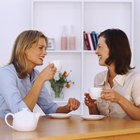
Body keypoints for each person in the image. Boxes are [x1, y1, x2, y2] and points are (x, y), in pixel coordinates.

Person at [0, 30, 80, 118]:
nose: (45, 53)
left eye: (45, 49)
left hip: (23, 128)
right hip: (4, 129)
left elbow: (50, 109)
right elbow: (20, 113)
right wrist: (40, 79)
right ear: (25, 49)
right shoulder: (6, 74)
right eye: (40, 48)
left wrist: (68, 107)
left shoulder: (35, 75)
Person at [84, 28, 140, 120]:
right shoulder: (98, 78)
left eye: (100, 46)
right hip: (104, 133)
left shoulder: (135, 79)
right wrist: (92, 106)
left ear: (114, 49)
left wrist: (119, 98)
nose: (96, 51)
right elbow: (98, 118)